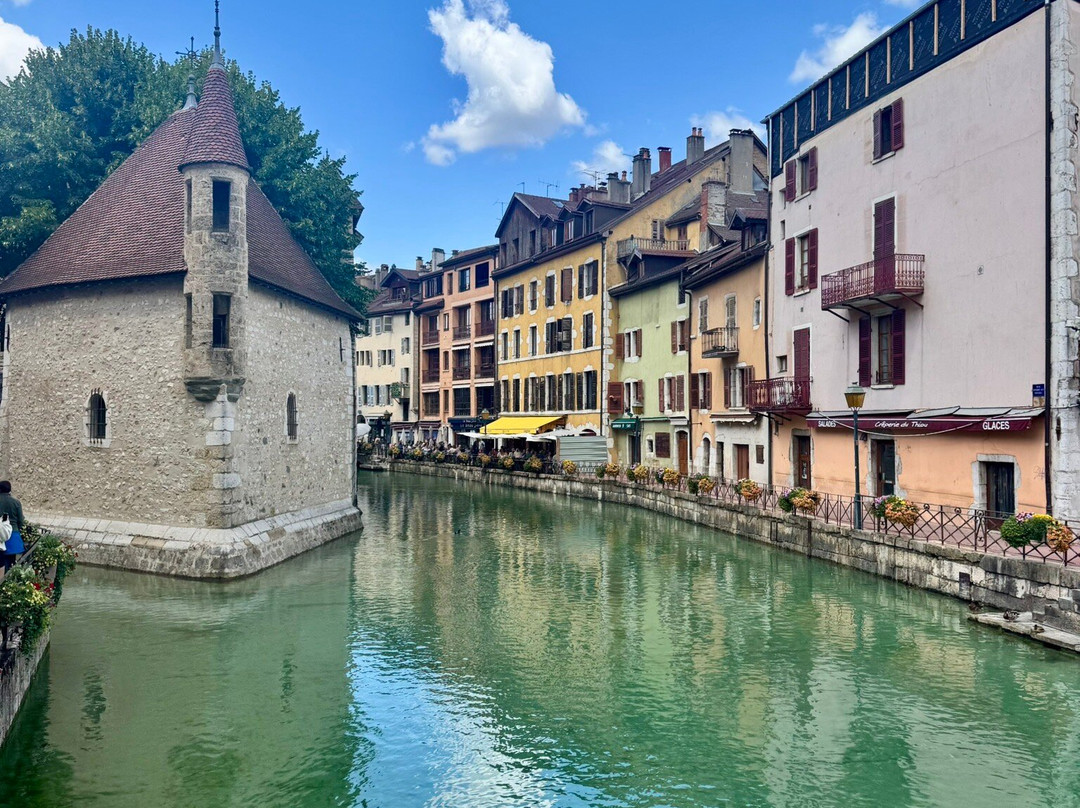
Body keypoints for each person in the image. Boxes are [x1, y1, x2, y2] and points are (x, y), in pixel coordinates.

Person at [0, 481, 25, 571]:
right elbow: (21, 520)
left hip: (0, 534)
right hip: (13, 534)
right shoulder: (16, 502)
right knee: (11, 561)